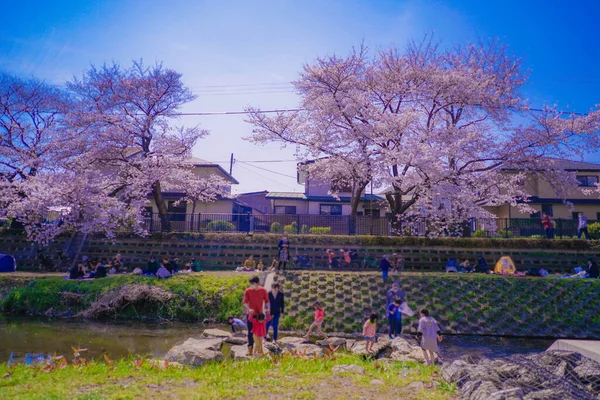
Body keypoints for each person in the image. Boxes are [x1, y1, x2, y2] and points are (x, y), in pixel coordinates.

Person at [242, 276, 270, 356]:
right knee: (250, 332)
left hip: (260, 316)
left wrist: (268, 309)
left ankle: (260, 350)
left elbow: (267, 301)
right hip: (251, 314)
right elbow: (245, 302)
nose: (252, 285)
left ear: (258, 283)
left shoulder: (263, 290)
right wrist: (249, 309)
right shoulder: (248, 291)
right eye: (251, 284)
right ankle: (250, 349)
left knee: (260, 333)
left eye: (253, 284)